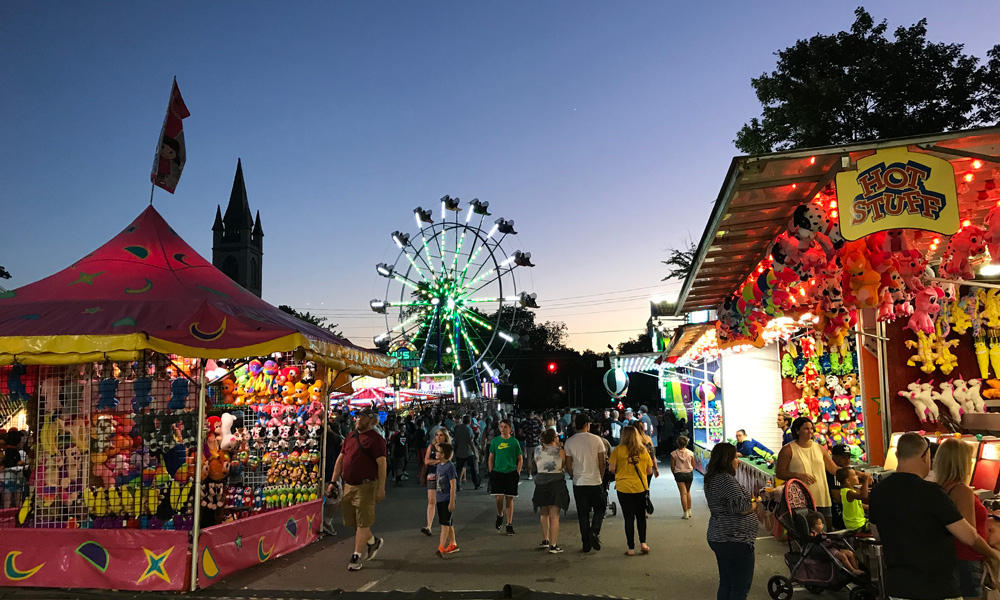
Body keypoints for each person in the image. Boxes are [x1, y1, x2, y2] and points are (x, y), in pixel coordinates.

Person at [870, 432, 1000, 600]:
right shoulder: (931, 492)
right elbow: (968, 536)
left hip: (898, 585)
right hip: (936, 587)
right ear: (925, 456)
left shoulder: (878, 491)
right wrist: (993, 554)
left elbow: (877, 534)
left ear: (897, 455)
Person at [329, 407, 386, 572]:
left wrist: (381, 488)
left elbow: (382, 465)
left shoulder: (376, 439)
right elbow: (341, 459)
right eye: (357, 417)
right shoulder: (350, 436)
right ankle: (372, 541)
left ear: (371, 420)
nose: (358, 420)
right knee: (352, 521)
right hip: (349, 485)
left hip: (366, 486)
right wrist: (334, 481)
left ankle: (356, 556)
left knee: (363, 522)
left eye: (362, 417)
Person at [935, 437, 989, 600]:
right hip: (968, 560)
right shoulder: (962, 491)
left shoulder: (939, 489)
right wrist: (992, 553)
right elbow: (969, 536)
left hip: (951, 559)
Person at [704, 442, 757, 600]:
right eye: (735, 457)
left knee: (727, 583)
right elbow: (742, 508)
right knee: (739, 588)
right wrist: (756, 503)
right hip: (734, 539)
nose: (738, 460)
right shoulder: (725, 480)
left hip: (723, 537)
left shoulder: (715, 478)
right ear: (727, 459)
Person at [775, 417, 839, 524]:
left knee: (825, 532)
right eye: (806, 428)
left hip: (823, 498)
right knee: (807, 531)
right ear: (797, 430)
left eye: (812, 428)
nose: (810, 431)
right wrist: (797, 475)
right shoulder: (788, 450)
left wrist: (855, 474)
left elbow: (833, 469)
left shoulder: (819, 448)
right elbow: (780, 473)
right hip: (801, 501)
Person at [564, 413, 608, 552]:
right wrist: (600, 475)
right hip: (595, 480)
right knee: (600, 508)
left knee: (582, 514)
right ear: (586, 425)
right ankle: (594, 531)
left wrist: (573, 475)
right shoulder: (597, 440)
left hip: (579, 482)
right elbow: (602, 461)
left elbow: (568, 464)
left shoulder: (569, 442)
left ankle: (586, 543)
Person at [609, 426, 653, 556]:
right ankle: (643, 543)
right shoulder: (643, 451)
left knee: (628, 518)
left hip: (624, 488)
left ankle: (631, 548)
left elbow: (611, 468)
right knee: (641, 517)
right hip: (640, 487)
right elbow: (649, 471)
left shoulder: (617, 450)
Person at [532, 428, 570, 554]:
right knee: (555, 515)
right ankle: (553, 545)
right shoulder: (560, 451)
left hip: (541, 482)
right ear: (554, 438)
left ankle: (545, 540)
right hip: (556, 483)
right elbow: (563, 465)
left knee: (544, 513)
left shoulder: (537, 450)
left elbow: (536, 464)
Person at [489, 419, 523, 535]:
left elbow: (520, 458)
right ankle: (500, 514)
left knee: (509, 498)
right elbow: (491, 457)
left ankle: (509, 524)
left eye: (505, 427)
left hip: (511, 472)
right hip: (498, 472)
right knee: (499, 498)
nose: (503, 429)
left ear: (510, 429)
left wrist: (517, 472)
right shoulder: (495, 441)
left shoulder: (514, 442)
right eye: (501, 426)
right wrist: (491, 471)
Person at [806, 511, 864, 576]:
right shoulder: (814, 535)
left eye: (822, 523)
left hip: (833, 547)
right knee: (843, 556)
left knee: (850, 553)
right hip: (826, 550)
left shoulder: (823, 532)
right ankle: (853, 571)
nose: (822, 525)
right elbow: (812, 539)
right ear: (813, 529)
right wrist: (816, 536)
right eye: (819, 524)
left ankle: (857, 569)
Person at [421, 428, 452, 536]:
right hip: (433, 474)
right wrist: (439, 461)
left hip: (444, 476)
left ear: (445, 437)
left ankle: (445, 524)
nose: (438, 437)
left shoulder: (448, 448)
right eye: (437, 435)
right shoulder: (431, 446)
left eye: (441, 435)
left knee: (443, 501)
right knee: (431, 500)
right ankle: (428, 526)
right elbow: (426, 461)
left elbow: (449, 461)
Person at [434, 442, 460, 557]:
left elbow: (453, 484)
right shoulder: (439, 465)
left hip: (446, 499)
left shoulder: (450, 467)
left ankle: (441, 547)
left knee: (444, 524)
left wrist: (451, 501)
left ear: (443, 454)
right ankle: (453, 544)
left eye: (438, 451)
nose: (436, 453)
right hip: (439, 498)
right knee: (447, 523)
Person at [322, 421, 344, 536]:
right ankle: (327, 522)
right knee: (335, 499)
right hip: (330, 474)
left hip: (324, 473)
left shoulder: (329, 437)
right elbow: (342, 443)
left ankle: (324, 522)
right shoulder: (332, 436)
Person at [828, 444, 854, 530]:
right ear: (834, 457)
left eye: (849, 457)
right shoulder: (834, 473)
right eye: (843, 457)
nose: (847, 460)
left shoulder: (846, 471)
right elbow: (839, 498)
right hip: (839, 516)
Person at [836, 467, 869, 531]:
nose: (857, 477)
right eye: (854, 475)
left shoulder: (849, 491)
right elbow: (864, 496)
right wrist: (865, 481)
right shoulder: (848, 492)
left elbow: (859, 501)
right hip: (857, 525)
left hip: (858, 523)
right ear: (848, 481)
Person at [671, 435, 695, 519]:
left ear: (677, 443)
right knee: (688, 492)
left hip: (679, 473)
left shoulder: (674, 454)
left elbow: (672, 466)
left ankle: (685, 513)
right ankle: (689, 510)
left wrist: (674, 474)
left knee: (683, 493)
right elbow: (693, 465)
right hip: (689, 473)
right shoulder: (691, 453)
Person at [453, 415, 480, 490]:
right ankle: (476, 484)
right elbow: (470, 442)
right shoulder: (469, 429)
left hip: (459, 451)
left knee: (458, 469)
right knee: (473, 469)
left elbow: (455, 439)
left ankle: (457, 484)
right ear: (469, 422)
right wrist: (475, 452)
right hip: (468, 452)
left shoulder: (457, 428)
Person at [523, 411, 542, 481]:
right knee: (537, 458)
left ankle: (529, 474)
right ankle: (538, 473)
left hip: (529, 443)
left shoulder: (524, 423)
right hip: (536, 442)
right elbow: (541, 429)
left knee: (529, 459)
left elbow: (522, 432)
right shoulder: (536, 422)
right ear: (533, 415)